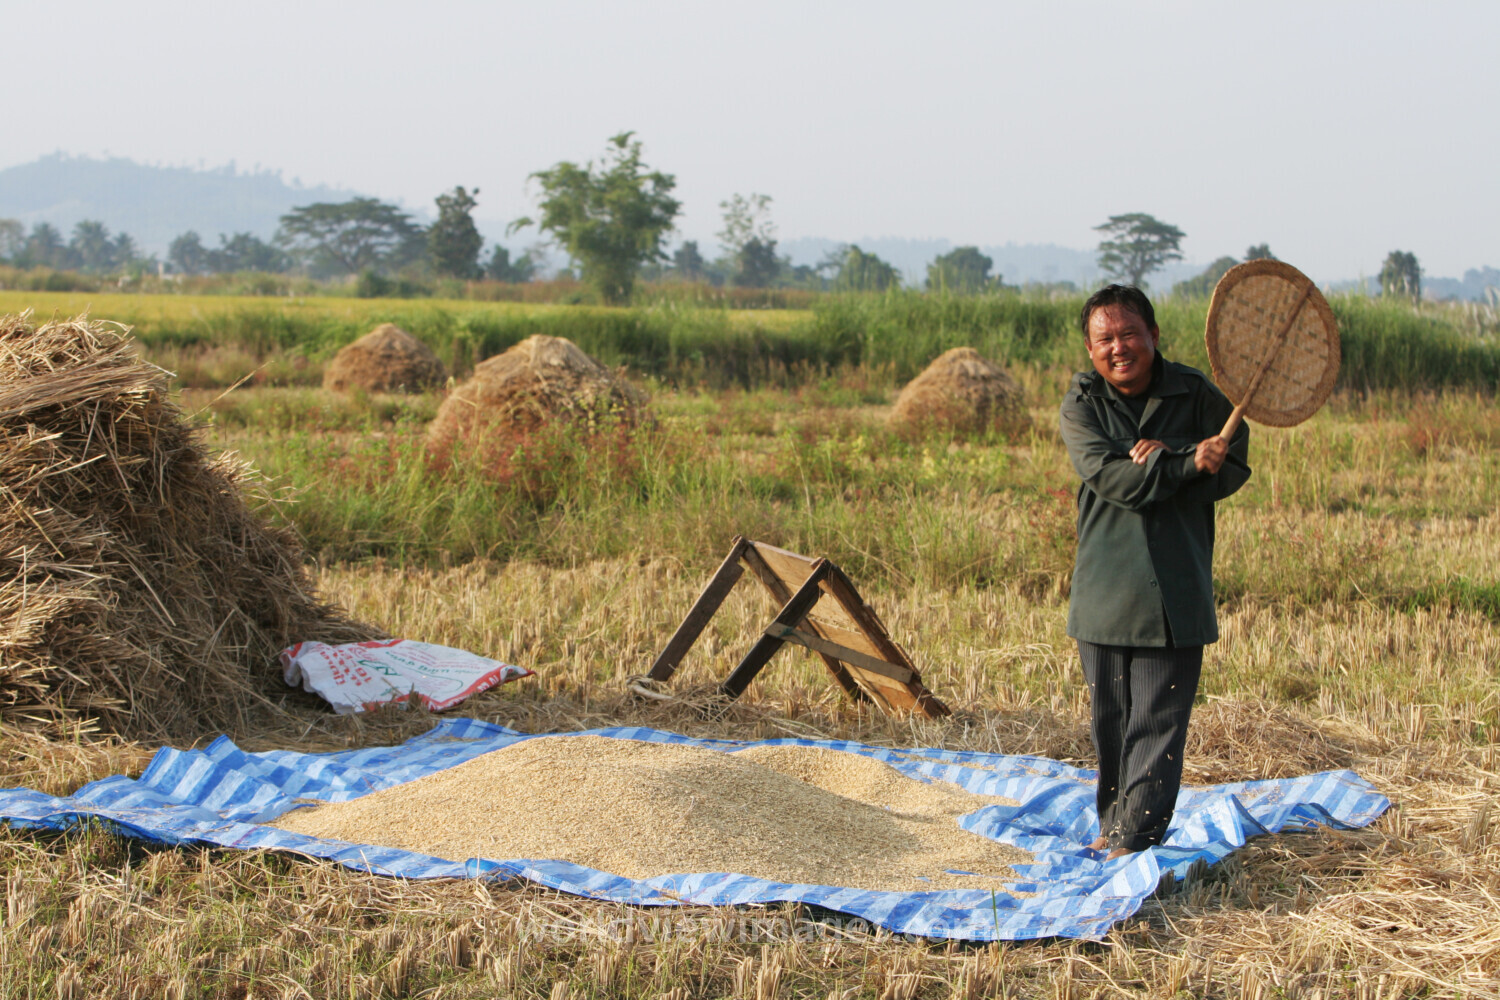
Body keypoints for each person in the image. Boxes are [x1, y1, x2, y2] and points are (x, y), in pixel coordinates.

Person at [1058, 284, 1250, 861]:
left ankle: (1134, 843)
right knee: (1112, 724)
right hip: (1106, 588)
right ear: (1091, 349)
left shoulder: (1196, 393)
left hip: (1175, 587)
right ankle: (1113, 824)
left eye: (1129, 335)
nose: (1119, 348)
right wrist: (1183, 461)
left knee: (1159, 726)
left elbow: (1234, 465)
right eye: (1105, 339)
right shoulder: (1082, 404)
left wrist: (1201, 462)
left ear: (1154, 336)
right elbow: (1113, 479)